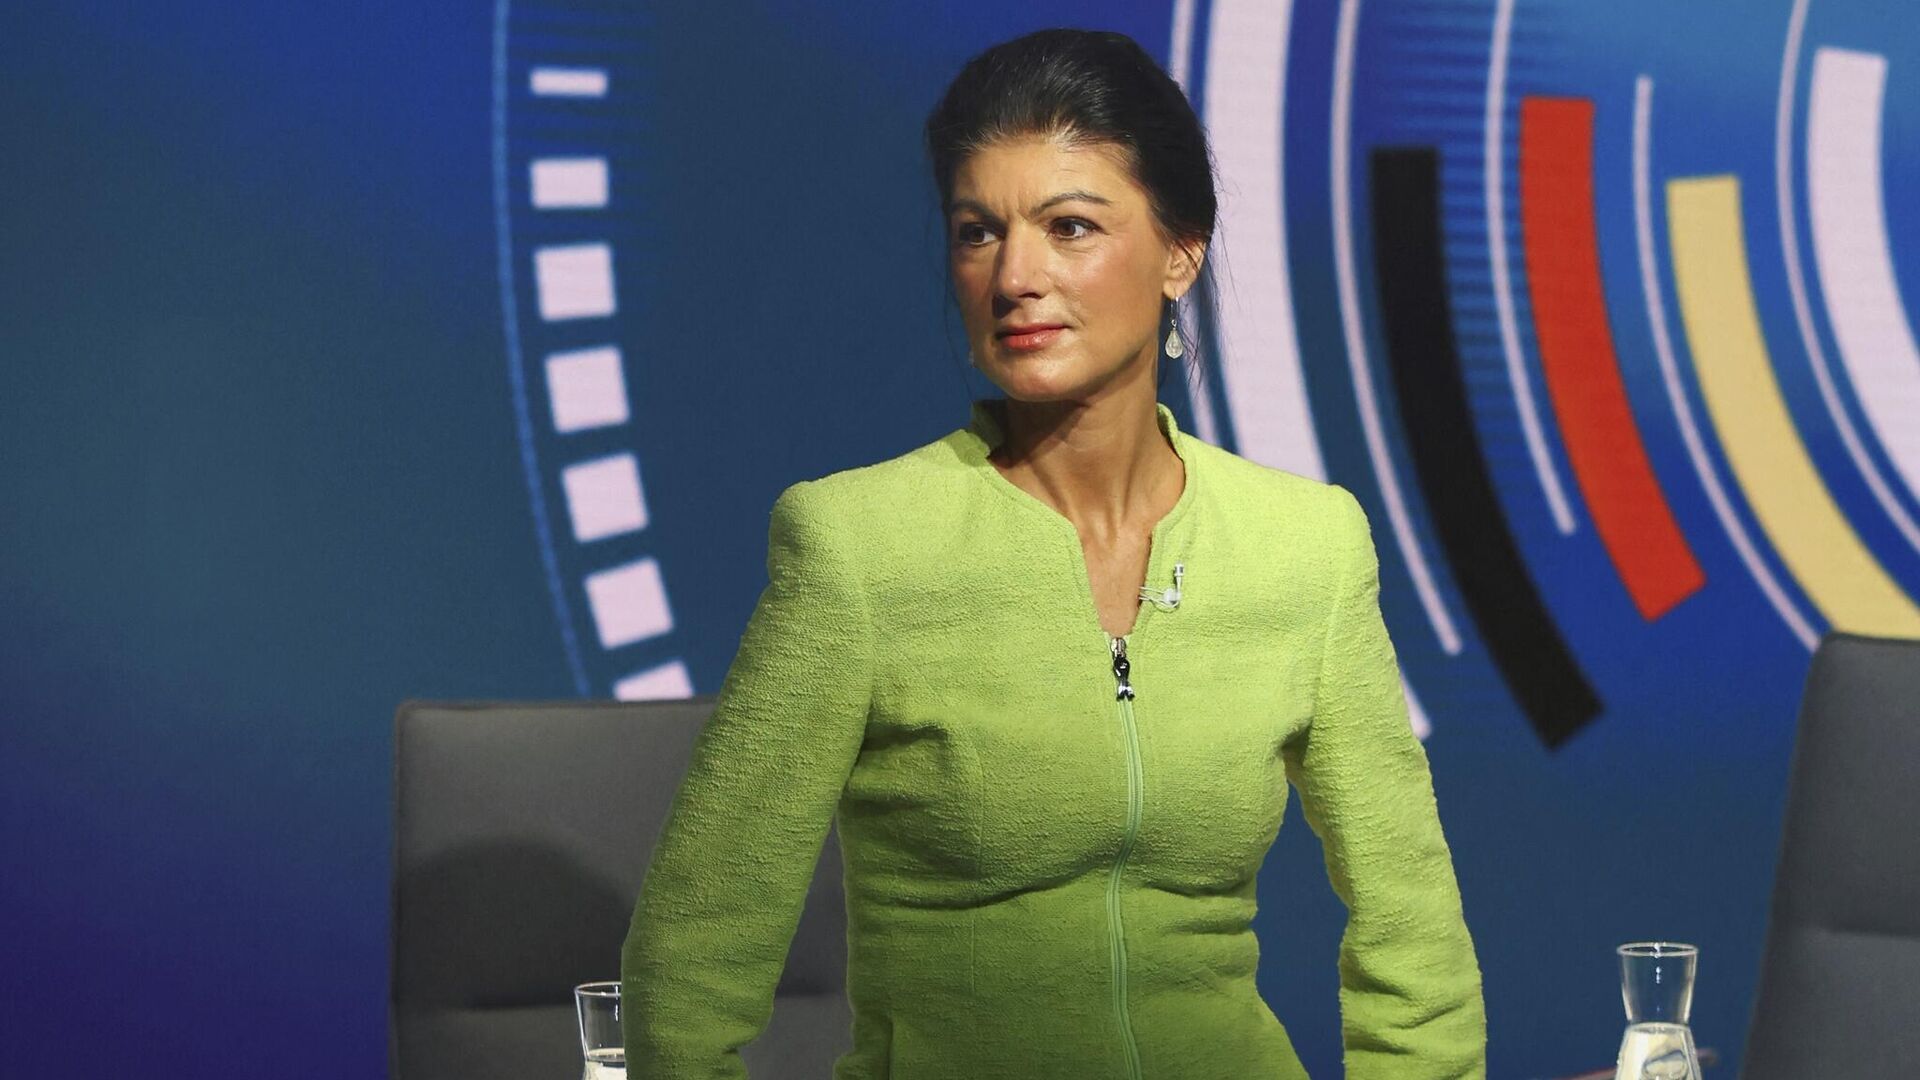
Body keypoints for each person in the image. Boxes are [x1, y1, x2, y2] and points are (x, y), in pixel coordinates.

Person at [621, 27, 1486, 1080]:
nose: (1015, 275)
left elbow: (1413, 932)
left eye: (1070, 226)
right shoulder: (859, 548)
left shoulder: (1307, 546)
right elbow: (694, 956)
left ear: (1180, 252)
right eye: (977, 233)